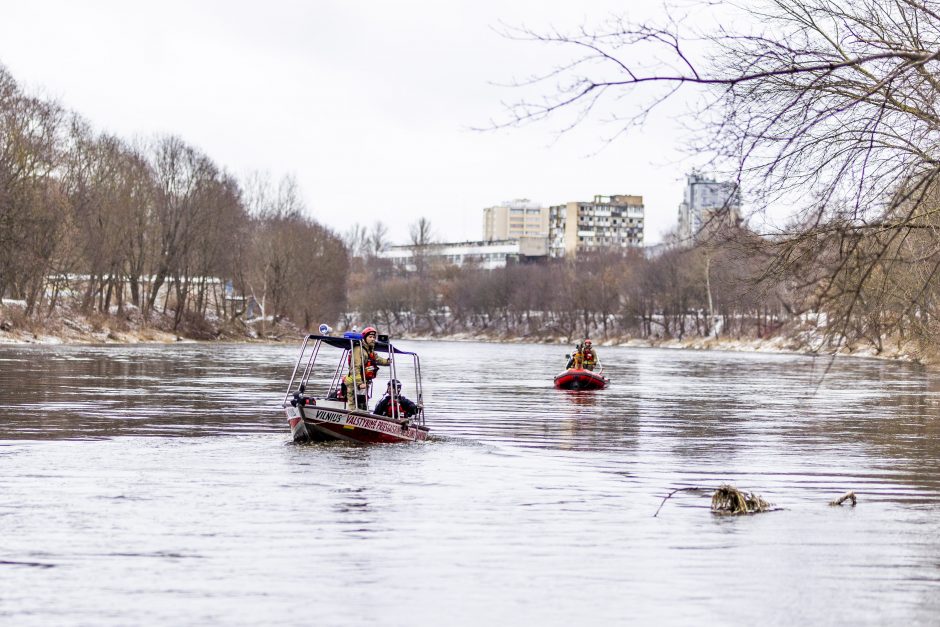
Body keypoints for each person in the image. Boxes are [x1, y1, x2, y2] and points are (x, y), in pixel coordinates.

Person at [344, 326, 389, 410]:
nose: (372, 339)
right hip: (354, 382)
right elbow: (355, 367)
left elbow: (377, 359)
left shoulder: (370, 350)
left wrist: (387, 362)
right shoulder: (358, 349)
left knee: (362, 406)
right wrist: (359, 383)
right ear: (365, 338)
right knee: (353, 406)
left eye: (374, 337)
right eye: (370, 337)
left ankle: (362, 418)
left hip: (364, 383)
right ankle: (351, 418)